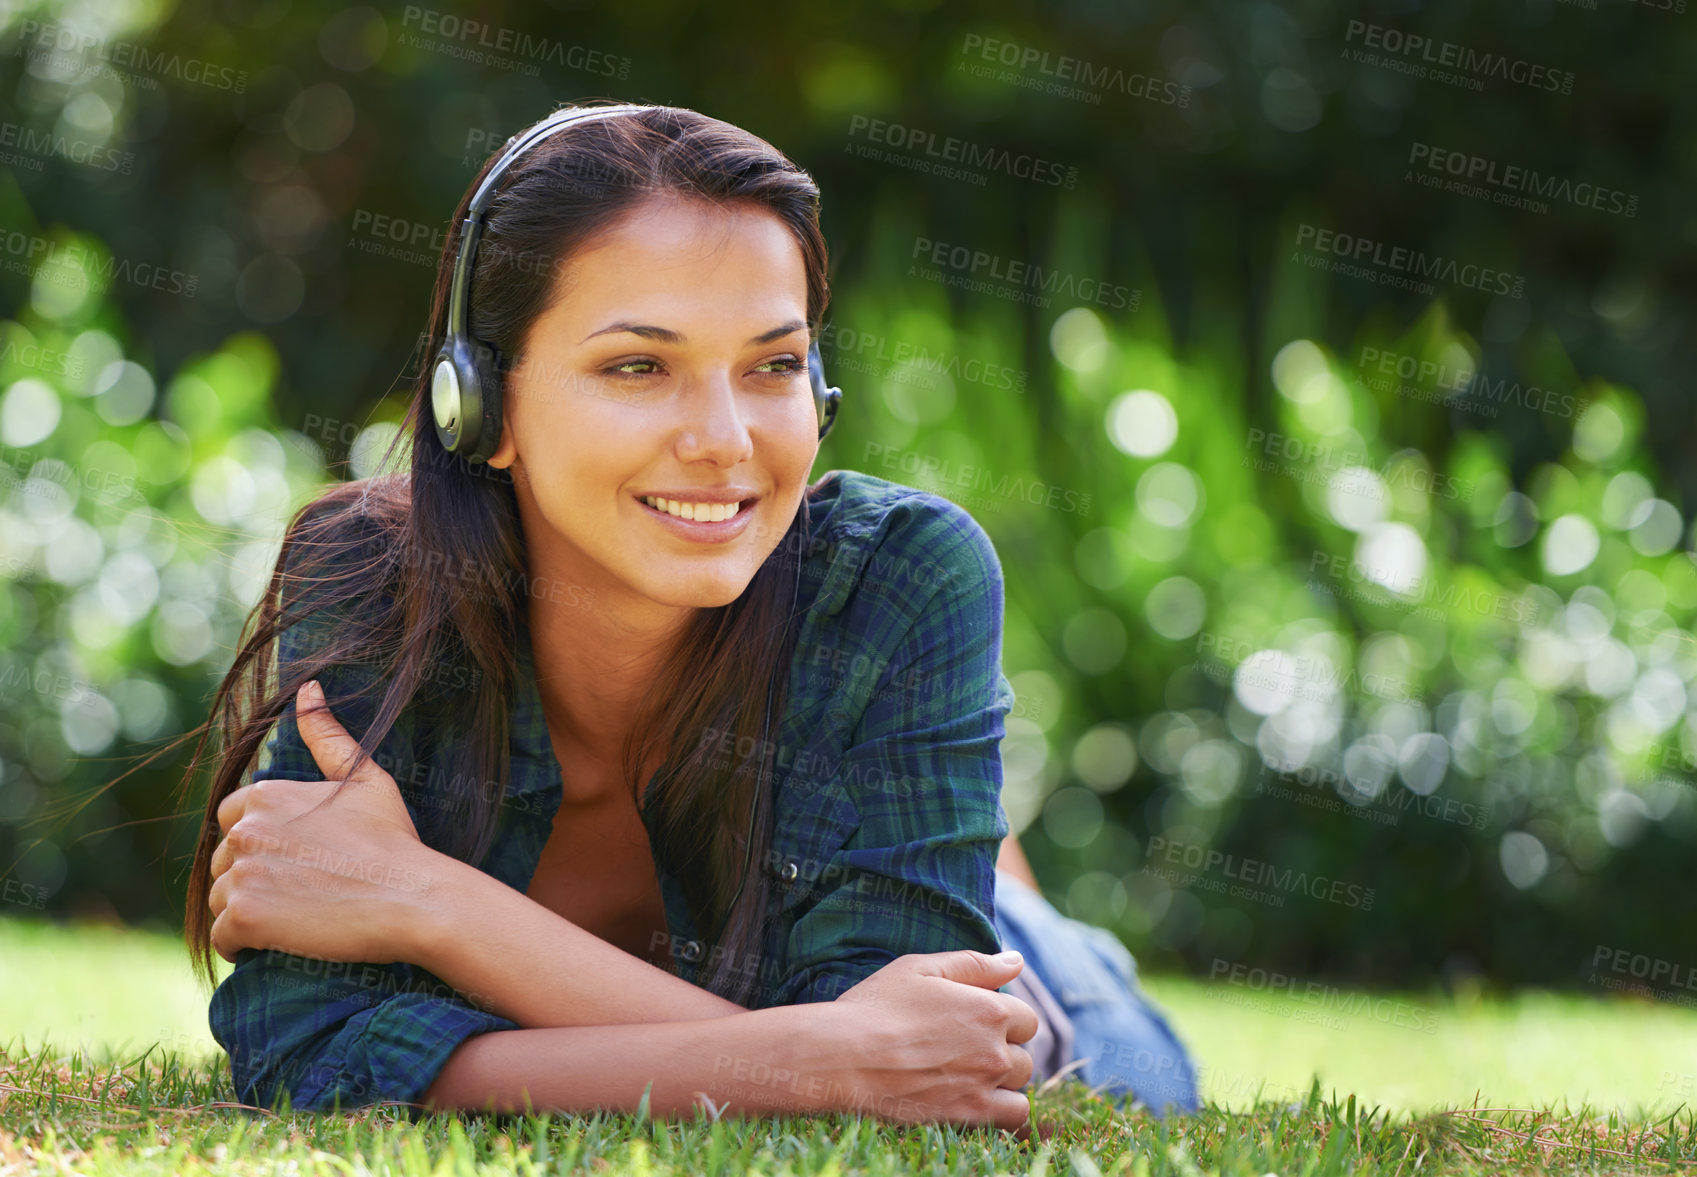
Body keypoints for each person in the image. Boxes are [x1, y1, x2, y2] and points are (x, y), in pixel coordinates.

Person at [182, 100, 1197, 1127]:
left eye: (772, 365)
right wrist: (822, 1060)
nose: (723, 440)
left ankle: (1005, 881)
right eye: (638, 366)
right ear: (477, 407)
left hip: (1043, 1001)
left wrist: (431, 902)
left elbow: (923, 1072)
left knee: (1124, 1056)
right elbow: (298, 1044)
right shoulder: (366, 577)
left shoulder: (898, 578)